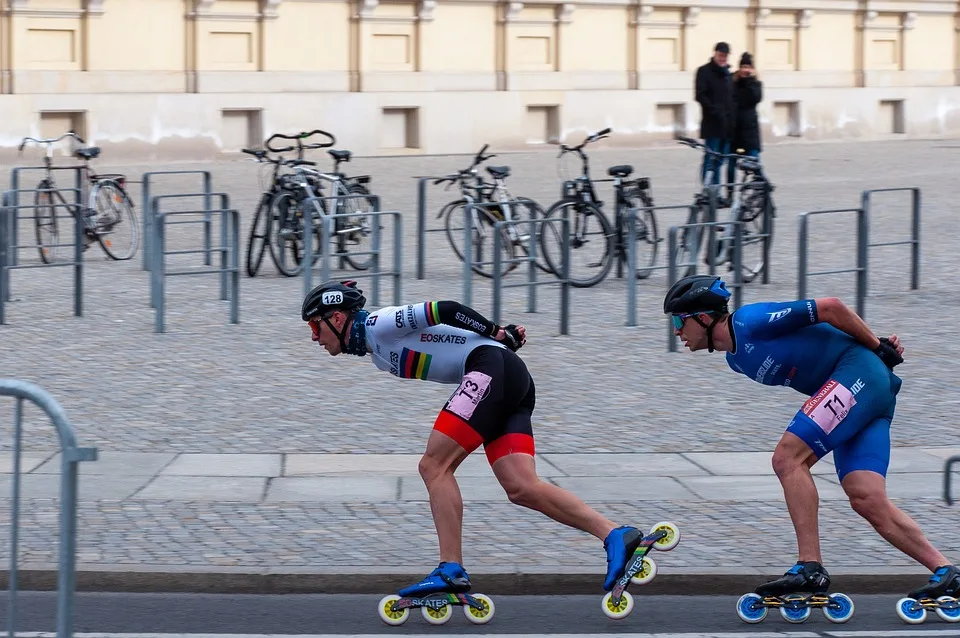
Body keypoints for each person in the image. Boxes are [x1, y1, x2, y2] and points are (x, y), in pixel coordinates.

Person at [303, 279, 646, 596]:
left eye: (315, 326)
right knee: (521, 487)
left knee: (433, 466)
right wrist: (501, 340)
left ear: (336, 317)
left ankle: (450, 569)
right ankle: (615, 535)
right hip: (507, 376)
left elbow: (448, 309)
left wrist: (497, 332)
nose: (315, 338)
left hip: (491, 367)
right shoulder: (376, 354)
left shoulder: (381, 323)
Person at [662, 274, 959, 601]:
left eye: (679, 320)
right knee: (866, 497)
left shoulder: (750, 320)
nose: (677, 331)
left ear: (703, 318)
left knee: (788, 459)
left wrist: (879, 347)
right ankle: (948, 572)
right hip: (863, 393)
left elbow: (830, 308)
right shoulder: (736, 360)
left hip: (859, 375)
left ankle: (809, 567)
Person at [694, 42, 735, 199]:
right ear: (715, 54)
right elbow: (700, 95)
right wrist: (714, 109)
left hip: (727, 125)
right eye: (721, 55)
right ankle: (709, 190)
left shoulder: (727, 74)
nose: (723, 58)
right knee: (710, 158)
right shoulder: (704, 71)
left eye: (725, 56)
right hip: (712, 124)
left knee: (721, 159)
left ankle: (715, 191)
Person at [728, 51, 764, 189]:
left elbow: (755, 99)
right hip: (735, 131)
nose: (745, 70)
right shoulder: (732, 81)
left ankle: (764, 188)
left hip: (750, 131)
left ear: (752, 69)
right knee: (731, 165)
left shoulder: (756, 84)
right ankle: (730, 193)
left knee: (755, 163)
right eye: (743, 66)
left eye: (748, 67)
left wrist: (749, 80)